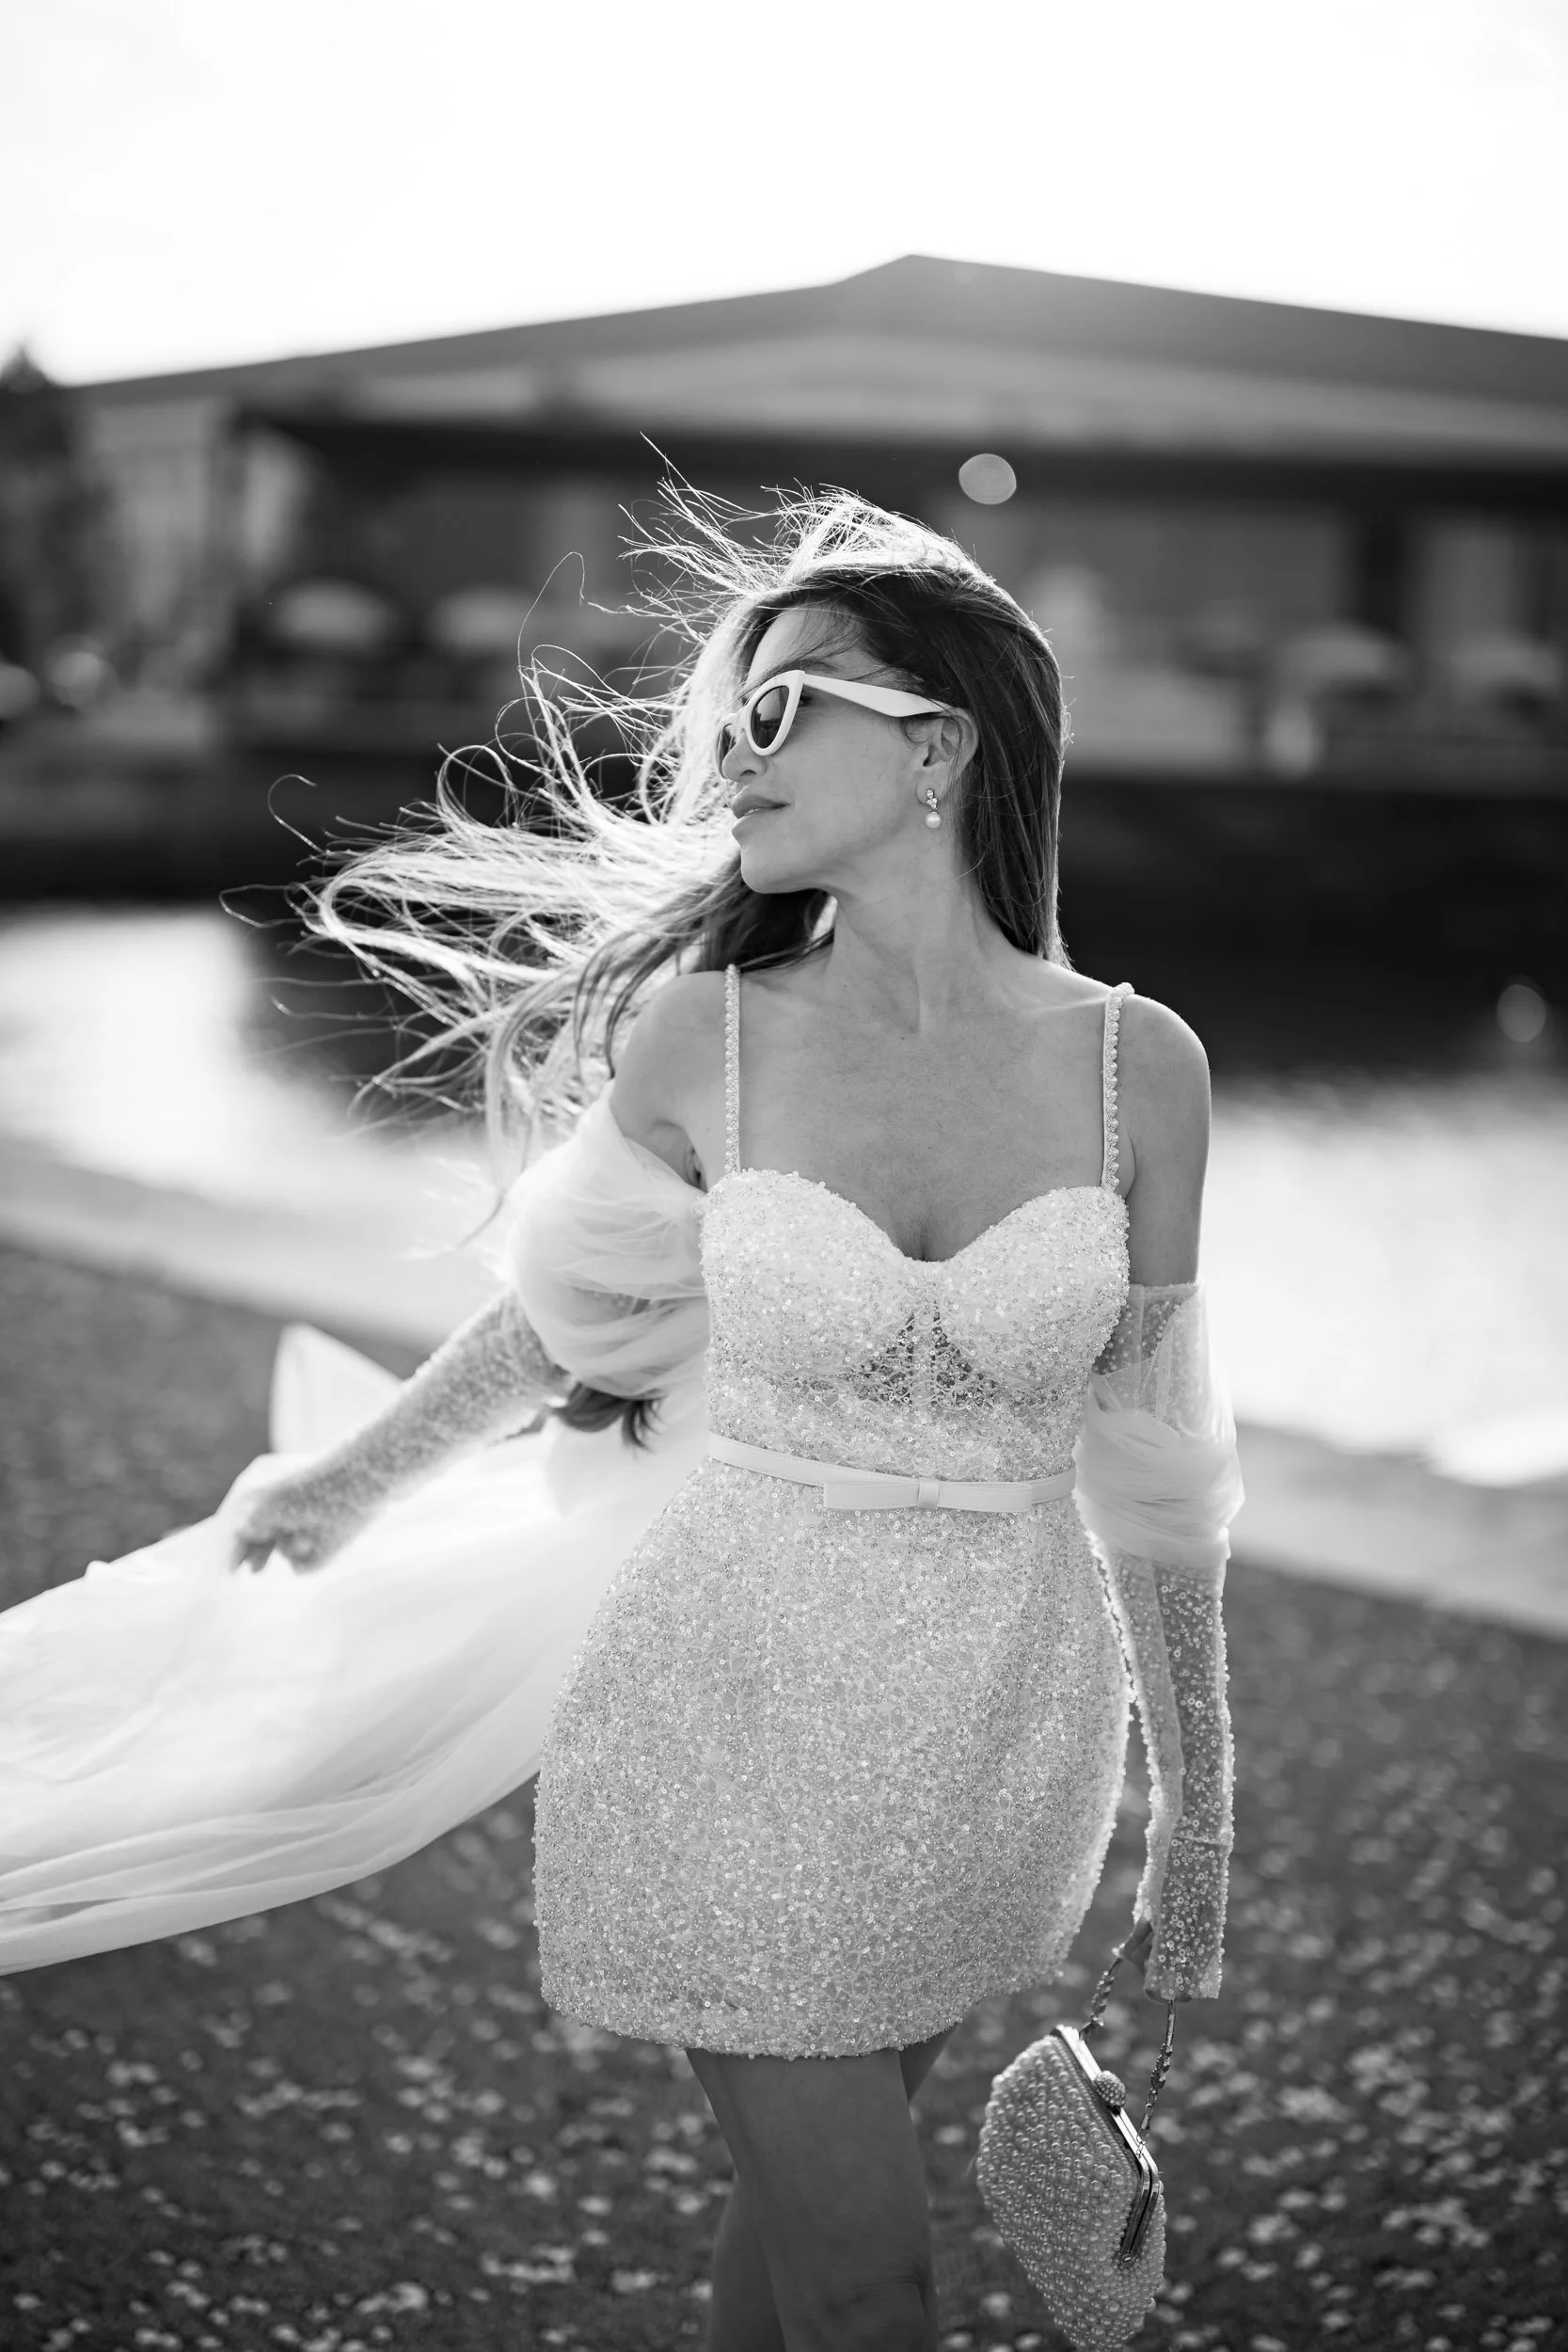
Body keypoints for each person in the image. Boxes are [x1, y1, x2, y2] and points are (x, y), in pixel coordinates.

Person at [0, 493, 1242, 2352]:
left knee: (800, 2241)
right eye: (721, 720)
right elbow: (563, 1319)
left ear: (935, 746)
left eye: (775, 711)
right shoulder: (706, 1036)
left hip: (999, 1727)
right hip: (724, 1704)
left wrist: (1195, 1810)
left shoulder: (1140, 1069)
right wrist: (345, 1480)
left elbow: (1157, 1465)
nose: (724, 759)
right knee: (871, 2281)